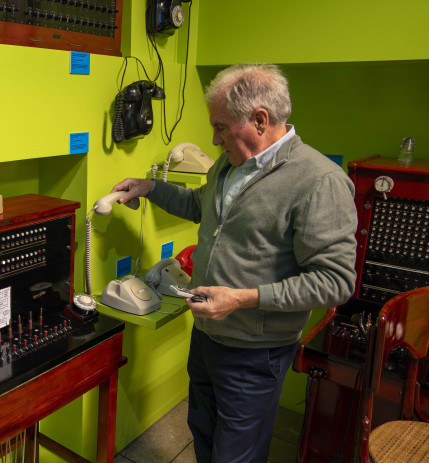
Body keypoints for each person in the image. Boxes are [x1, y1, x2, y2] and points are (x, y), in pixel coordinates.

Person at [111, 63, 357, 462]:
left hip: (255, 352)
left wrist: (242, 298)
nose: (213, 137)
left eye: (221, 126)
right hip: (207, 337)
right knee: (204, 436)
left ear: (260, 120)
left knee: (236, 455)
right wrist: (150, 187)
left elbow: (335, 282)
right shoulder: (231, 163)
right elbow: (200, 206)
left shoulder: (318, 181)